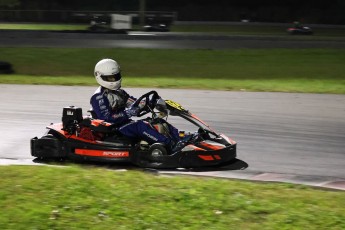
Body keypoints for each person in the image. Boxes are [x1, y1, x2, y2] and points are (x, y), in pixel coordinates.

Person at [90, 58, 183, 153]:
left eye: (116, 76)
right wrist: (128, 112)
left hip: (124, 124)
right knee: (140, 126)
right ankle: (169, 145)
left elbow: (135, 102)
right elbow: (107, 117)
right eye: (110, 78)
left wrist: (151, 102)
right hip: (112, 129)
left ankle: (179, 139)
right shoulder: (98, 97)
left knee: (157, 121)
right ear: (99, 76)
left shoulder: (119, 92)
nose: (114, 80)